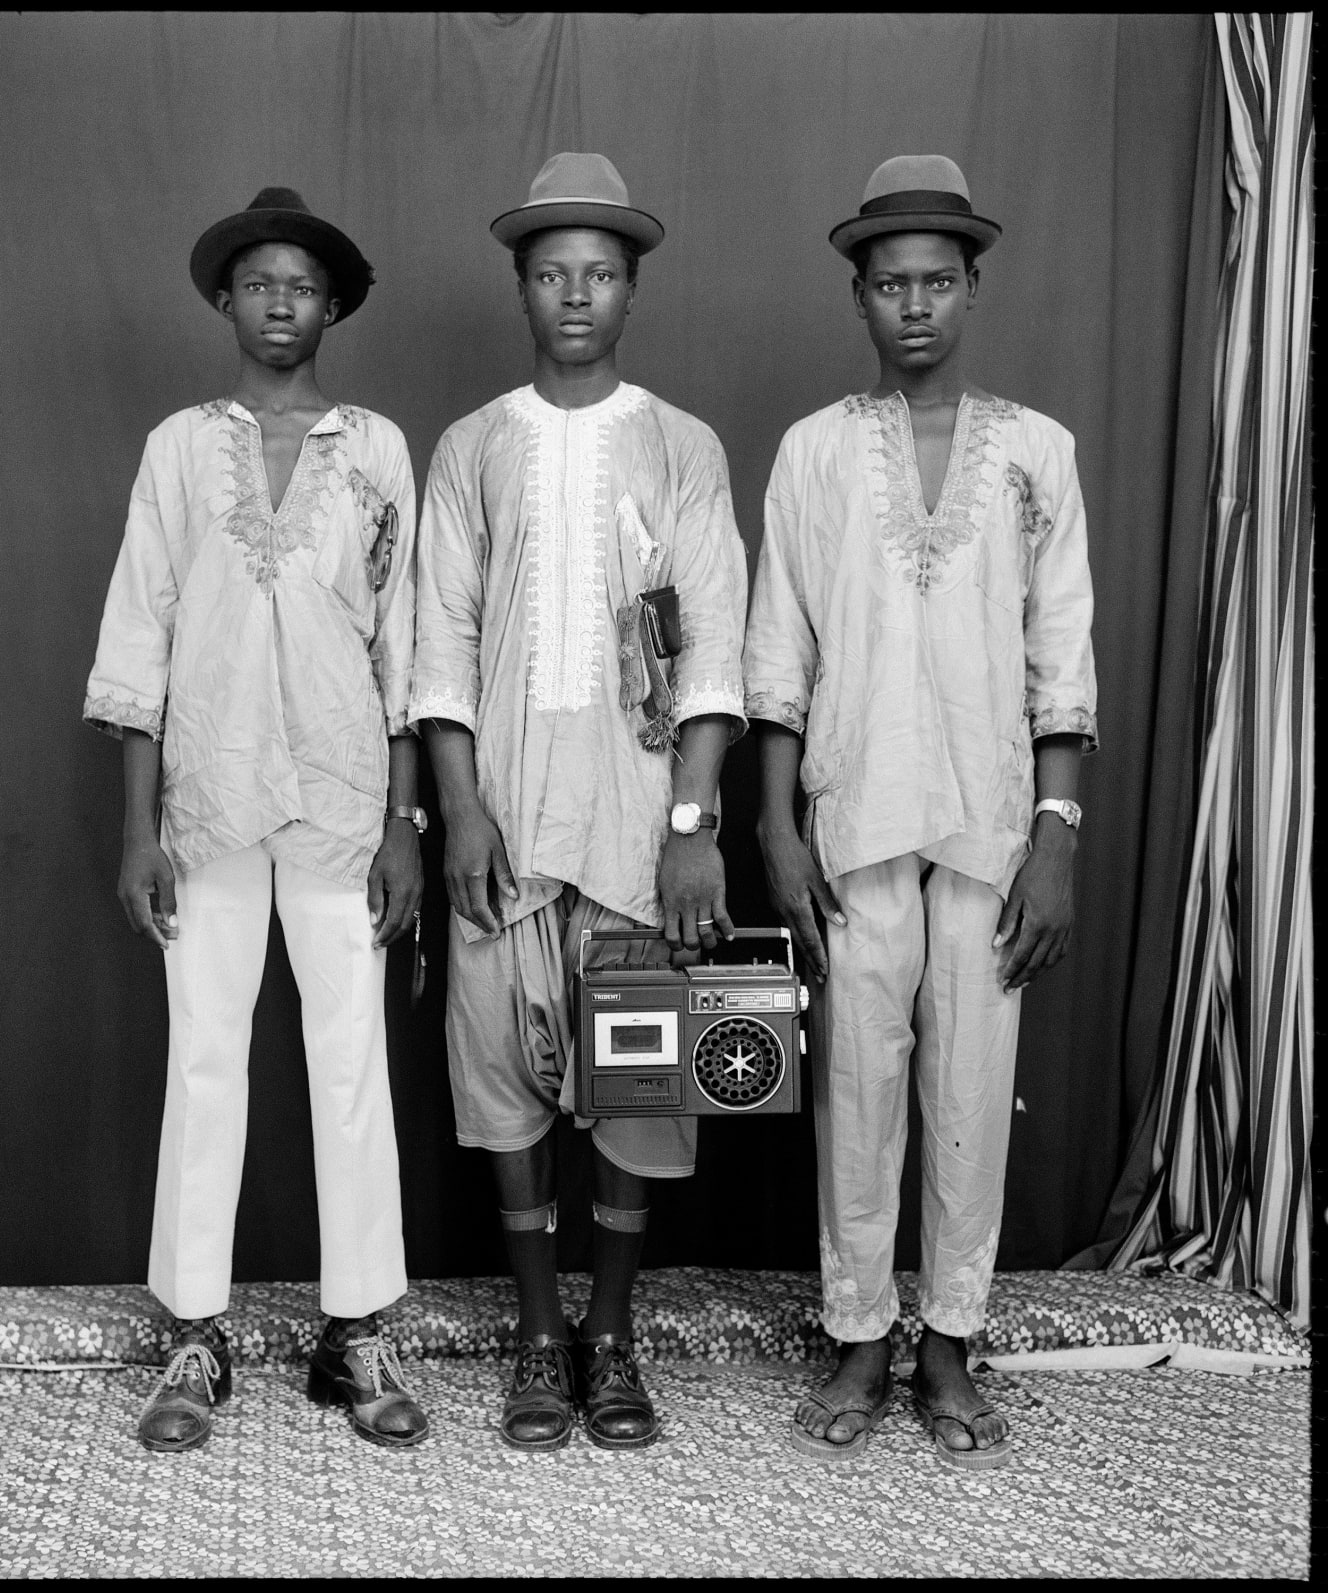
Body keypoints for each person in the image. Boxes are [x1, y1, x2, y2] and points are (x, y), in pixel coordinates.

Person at [744, 155, 1097, 1469]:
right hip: (853, 816)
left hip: (992, 828)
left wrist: (1056, 839)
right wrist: (774, 828)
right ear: (858, 295)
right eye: (890, 284)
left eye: (937, 281)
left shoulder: (1037, 454)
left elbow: (1061, 660)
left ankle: (949, 1339)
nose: (914, 306)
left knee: (970, 1086)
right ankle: (857, 1333)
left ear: (972, 286)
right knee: (855, 1085)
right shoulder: (816, 452)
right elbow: (777, 652)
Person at [83, 187, 431, 1452]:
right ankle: (193, 1334)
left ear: (333, 306)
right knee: (205, 1059)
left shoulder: (375, 449)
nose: (282, 303)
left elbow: (403, 640)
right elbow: (142, 629)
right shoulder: (182, 449)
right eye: (260, 283)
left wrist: (404, 820)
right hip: (209, 799)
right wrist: (140, 829)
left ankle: (358, 1334)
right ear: (226, 300)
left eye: (303, 286)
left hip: (342, 800)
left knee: (351, 1062)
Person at [411, 153, 749, 1452]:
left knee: (639, 1093)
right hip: (503, 828)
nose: (574, 295)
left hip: (634, 832)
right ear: (519, 285)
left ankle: (611, 1334)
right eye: (551, 272)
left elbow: (711, 651)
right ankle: (538, 1335)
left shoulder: (681, 446)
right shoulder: (471, 448)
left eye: (599, 273)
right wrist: (461, 809)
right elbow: (439, 647)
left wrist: (691, 826)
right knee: (503, 1090)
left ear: (631, 289)